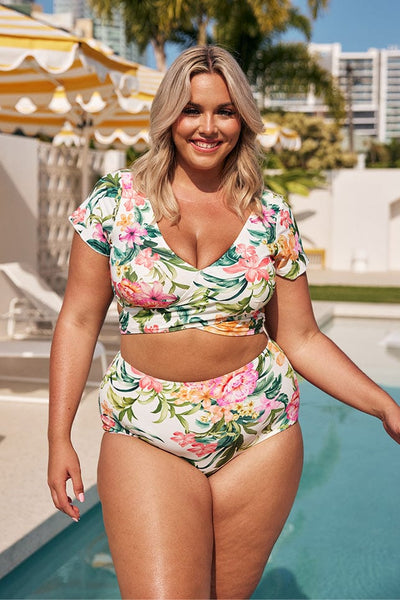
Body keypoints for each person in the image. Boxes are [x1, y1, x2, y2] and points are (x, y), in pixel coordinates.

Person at [47, 45, 400, 600]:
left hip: (260, 433)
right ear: (169, 116)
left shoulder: (271, 214)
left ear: (244, 120)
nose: (207, 127)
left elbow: (301, 336)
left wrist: (385, 405)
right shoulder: (114, 202)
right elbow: (78, 319)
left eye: (225, 111)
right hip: (147, 429)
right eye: (192, 109)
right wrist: (58, 436)